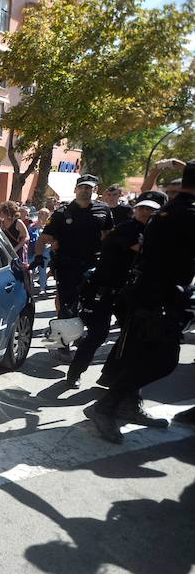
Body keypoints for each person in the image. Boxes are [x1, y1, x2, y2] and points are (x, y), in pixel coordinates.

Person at [84, 161, 195, 442]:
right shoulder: (184, 214)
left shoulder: (170, 211)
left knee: (137, 355)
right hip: (157, 299)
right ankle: (107, 406)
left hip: (149, 296)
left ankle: (126, 406)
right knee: (163, 361)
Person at [64, 194, 162, 391]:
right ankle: (74, 372)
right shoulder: (127, 229)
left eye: (150, 209)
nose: (145, 212)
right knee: (98, 334)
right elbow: (143, 250)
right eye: (142, 208)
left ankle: (110, 374)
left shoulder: (151, 231)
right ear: (135, 210)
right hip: (105, 289)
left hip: (128, 291)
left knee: (132, 333)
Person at [31, 174, 113, 362]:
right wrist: (38, 257)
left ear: (95, 190)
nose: (85, 190)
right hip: (67, 266)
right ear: (76, 189)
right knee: (67, 307)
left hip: (94, 266)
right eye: (82, 187)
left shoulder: (104, 210)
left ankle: (77, 336)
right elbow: (44, 239)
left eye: (89, 188)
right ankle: (62, 346)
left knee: (90, 308)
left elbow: (108, 235)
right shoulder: (62, 213)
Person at [28, 208, 50, 295]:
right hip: (33, 250)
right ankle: (30, 287)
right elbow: (29, 233)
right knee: (31, 269)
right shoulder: (33, 224)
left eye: (42, 214)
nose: (40, 215)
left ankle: (42, 288)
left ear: (47, 216)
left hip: (44, 250)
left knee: (42, 269)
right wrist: (34, 227)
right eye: (39, 213)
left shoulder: (49, 225)